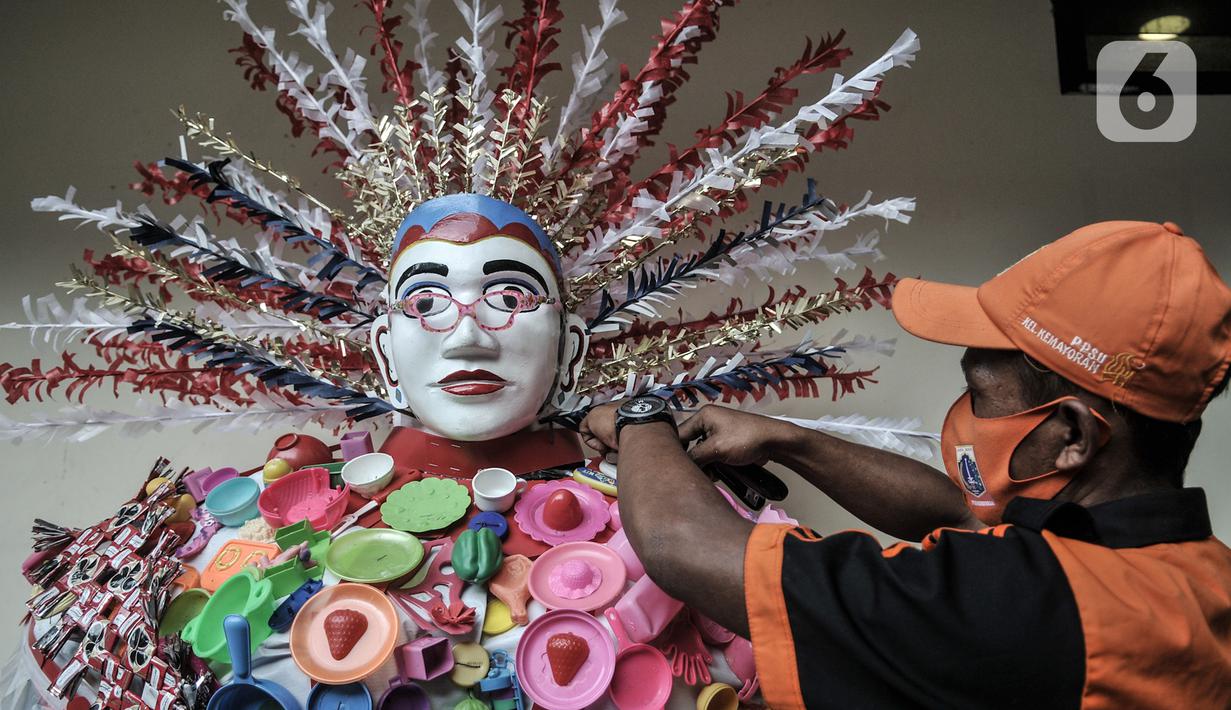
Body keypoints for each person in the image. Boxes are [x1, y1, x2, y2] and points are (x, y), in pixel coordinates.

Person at [580, 220, 1231, 709]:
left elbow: (682, 546)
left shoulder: (1021, 603)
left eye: (980, 392)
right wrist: (789, 440)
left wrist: (640, 420)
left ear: (1072, 436)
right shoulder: (1197, 573)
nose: (965, 412)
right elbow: (960, 517)